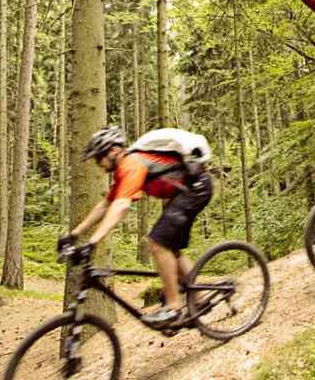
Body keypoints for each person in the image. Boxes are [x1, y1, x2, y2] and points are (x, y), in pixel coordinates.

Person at [58, 127, 213, 326]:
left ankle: (173, 307)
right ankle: (200, 298)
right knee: (170, 249)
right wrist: (74, 234)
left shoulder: (131, 164)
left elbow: (121, 205)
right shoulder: (125, 169)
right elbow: (106, 204)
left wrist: (93, 241)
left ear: (113, 151)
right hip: (186, 193)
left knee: (157, 242)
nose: (98, 163)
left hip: (196, 189)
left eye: (99, 158)